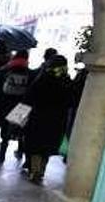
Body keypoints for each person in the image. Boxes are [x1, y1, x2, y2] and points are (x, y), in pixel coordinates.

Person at [20, 55, 73, 184]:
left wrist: (19, 117)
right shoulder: (66, 82)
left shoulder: (42, 79)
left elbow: (28, 98)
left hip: (37, 118)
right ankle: (41, 171)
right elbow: (71, 102)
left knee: (35, 145)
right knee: (47, 146)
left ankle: (35, 171)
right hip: (57, 121)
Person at [0, 49, 32, 165]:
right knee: (7, 133)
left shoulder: (5, 69)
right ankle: (2, 155)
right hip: (16, 107)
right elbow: (28, 93)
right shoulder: (29, 73)